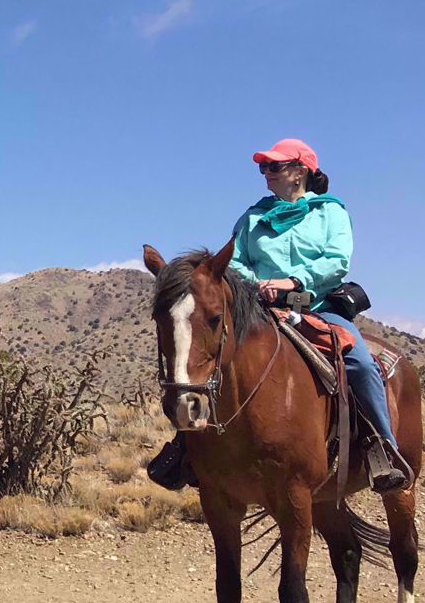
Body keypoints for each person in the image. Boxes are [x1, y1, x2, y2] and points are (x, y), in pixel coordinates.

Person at [150, 138, 409, 493]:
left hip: (317, 307)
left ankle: (381, 448)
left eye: (274, 166)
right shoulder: (253, 217)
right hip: (258, 309)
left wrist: (293, 281)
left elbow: (336, 260)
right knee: (211, 360)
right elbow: (235, 263)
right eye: (263, 168)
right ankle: (188, 448)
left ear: (300, 171)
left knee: (361, 364)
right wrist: (258, 285)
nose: (265, 174)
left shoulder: (330, 212)